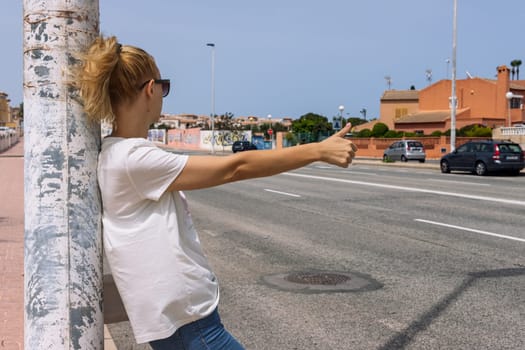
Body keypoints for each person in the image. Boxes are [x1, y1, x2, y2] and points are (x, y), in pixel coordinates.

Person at [77, 35, 358, 350]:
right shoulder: (133, 159)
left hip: (178, 321)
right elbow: (235, 167)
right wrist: (318, 150)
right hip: (190, 324)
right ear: (150, 89)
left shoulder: (119, 154)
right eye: (164, 87)